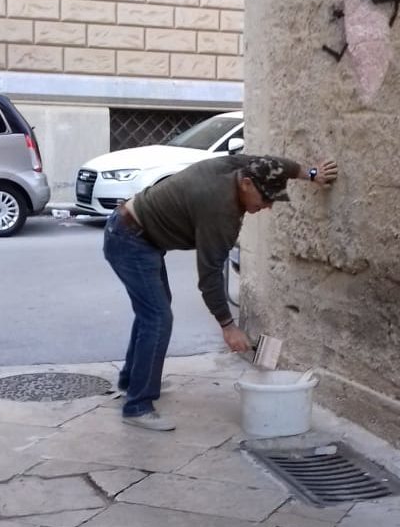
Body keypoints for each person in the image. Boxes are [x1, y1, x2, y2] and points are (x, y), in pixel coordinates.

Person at [102, 153, 338, 431]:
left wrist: (312, 174)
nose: (268, 207)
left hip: (136, 232)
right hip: (130, 240)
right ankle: (137, 406)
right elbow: (210, 276)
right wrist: (228, 326)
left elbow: (278, 164)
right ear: (247, 184)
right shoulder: (220, 211)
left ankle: (132, 381)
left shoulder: (241, 167)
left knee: (152, 313)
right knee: (157, 318)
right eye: (266, 199)